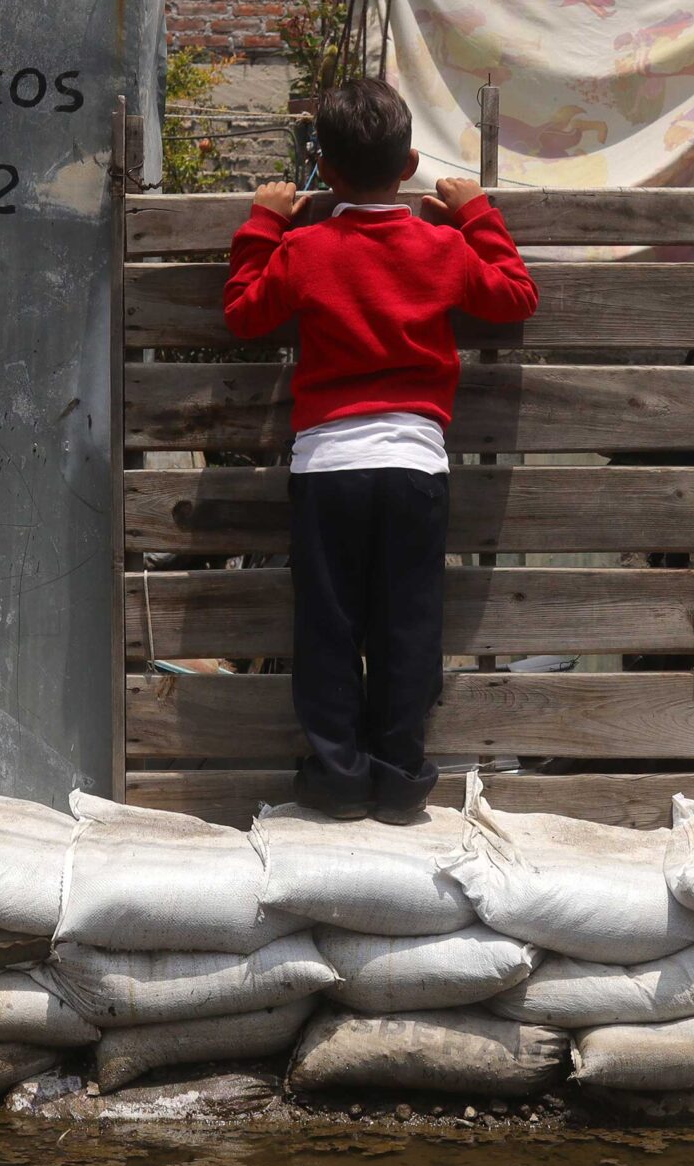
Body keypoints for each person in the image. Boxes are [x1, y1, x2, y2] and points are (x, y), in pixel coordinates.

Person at [221, 77, 538, 822]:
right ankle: (400, 779)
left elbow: (243, 310)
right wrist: (476, 212)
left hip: (327, 468)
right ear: (409, 164)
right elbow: (516, 294)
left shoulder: (302, 248)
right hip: (414, 467)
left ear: (323, 171)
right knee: (408, 625)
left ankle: (337, 779)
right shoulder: (442, 247)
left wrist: (264, 222)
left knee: (330, 627)